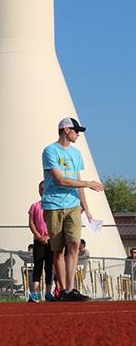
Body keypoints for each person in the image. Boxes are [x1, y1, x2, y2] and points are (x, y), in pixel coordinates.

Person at [42, 117, 104, 302]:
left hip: (73, 205)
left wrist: (86, 207)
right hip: (54, 205)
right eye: (76, 130)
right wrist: (89, 183)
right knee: (58, 250)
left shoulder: (77, 154)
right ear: (66, 130)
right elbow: (61, 180)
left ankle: (70, 289)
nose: (78, 134)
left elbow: (77, 183)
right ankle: (62, 289)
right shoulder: (50, 151)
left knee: (74, 244)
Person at [28, 180, 55, 302]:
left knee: (49, 266)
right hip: (38, 241)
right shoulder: (34, 206)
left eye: (44, 188)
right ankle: (35, 293)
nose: (42, 191)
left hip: (50, 241)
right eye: (40, 189)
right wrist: (39, 236)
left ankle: (48, 292)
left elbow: (55, 224)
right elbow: (31, 223)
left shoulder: (53, 205)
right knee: (38, 265)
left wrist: (48, 236)